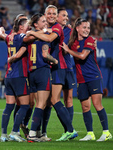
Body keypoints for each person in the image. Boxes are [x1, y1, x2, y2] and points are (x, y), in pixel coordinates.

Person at [26, 5, 78, 141]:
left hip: (58, 66)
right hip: (51, 67)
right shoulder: (47, 29)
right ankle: (42, 133)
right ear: (45, 14)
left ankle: (70, 129)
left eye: (54, 14)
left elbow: (49, 40)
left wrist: (32, 32)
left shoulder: (57, 27)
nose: (51, 16)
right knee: (47, 102)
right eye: (49, 13)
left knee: (54, 99)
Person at [60, 17, 112, 142]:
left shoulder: (89, 40)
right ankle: (90, 133)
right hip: (81, 79)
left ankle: (106, 132)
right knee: (85, 107)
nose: (87, 30)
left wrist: (68, 50)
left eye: (88, 28)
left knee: (97, 104)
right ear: (77, 28)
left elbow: (82, 56)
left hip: (93, 77)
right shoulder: (73, 42)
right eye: (84, 27)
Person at [0, 18, 33, 142]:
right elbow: (31, 37)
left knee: (9, 106)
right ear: (22, 27)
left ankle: (3, 135)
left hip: (9, 76)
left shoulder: (9, 37)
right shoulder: (22, 37)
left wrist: (4, 30)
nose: (29, 27)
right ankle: (14, 132)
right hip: (19, 75)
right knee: (25, 105)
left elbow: (1, 32)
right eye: (28, 25)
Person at [26, 13, 58, 142]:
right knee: (41, 103)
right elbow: (45, 55)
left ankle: (38, 132)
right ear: (36, 24)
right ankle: (33, 133)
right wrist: (55, 61)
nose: (46, 23)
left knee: (38, 103)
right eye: (43, 21)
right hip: (42, 71)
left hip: (31, 72)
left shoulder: (30, 37)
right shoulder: (44, 37)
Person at [57, 8, 76, 133]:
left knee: (68, 98)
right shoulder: (50, 29)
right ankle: (42, 131)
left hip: (68, 67)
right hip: (55, 67)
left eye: (67, 15)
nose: (66, 18)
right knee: (52, 100)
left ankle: (68, 130)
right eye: (63, 15)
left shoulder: (70, 31)